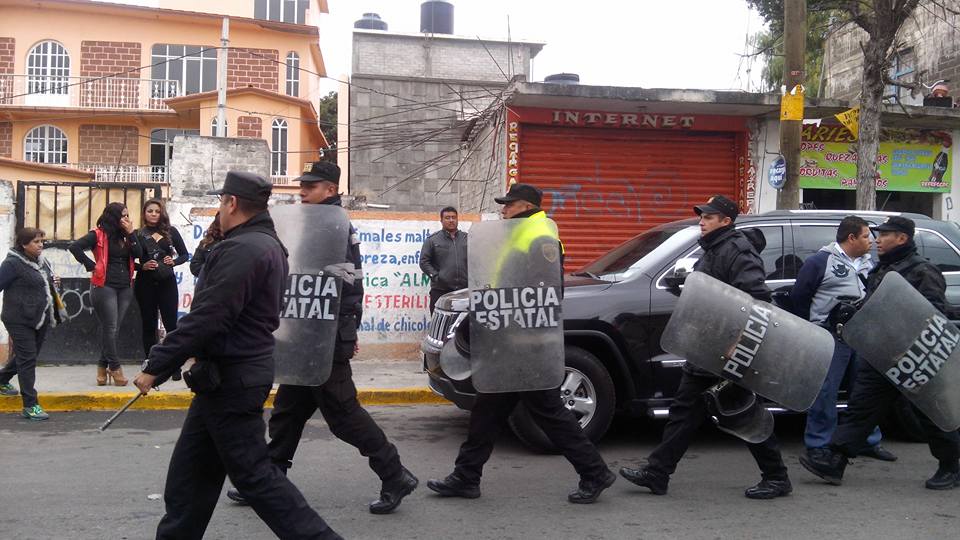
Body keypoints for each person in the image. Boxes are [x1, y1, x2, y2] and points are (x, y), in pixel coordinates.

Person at [133, 171, 342, 540]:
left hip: (234, 379)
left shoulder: (244, 248)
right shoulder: (263, 244)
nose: (219, 209)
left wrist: (158, 364)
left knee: (257, 478)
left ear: (231, 203)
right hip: (223, 377)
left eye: (220, 202)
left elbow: (210, 316)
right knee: (191, 476)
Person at [227, 161, 417, 515]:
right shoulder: (312, 221)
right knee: (288, 410)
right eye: (302, 185)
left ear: (330, 190)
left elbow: (346, 284)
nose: (302, 191)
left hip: (325, 335)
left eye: (311, 186)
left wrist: (343, 331)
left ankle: (394, 474)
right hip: (307, 331)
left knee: (344, 414)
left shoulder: (334, 225)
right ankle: (269, 479)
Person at [426, 183, 616, 504]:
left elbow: (542, 296)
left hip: (524, 342)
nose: (504, 209)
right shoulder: (519, 232)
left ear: (526, 206)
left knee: (549, 412)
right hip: (509, 339)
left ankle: (595, 472)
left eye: (509, 205)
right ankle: (466, 476)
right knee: (488, 411)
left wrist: (511, 329)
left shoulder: (540, 236)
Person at [619, 194, 792, 500]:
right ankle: (657, 473)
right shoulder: (712, 250)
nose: (702, 220)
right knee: (684, 411)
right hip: (707, 347)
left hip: (729, 350)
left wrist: (738, 343)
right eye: (701, 215)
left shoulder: (738, 251)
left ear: (726, 221)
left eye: (708, 217)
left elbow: (758, 300)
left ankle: (777, 477)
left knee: (742, 412)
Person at [799, 216, 960, 490]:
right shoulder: (882, 269)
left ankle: (950, 466)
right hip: (881, 355)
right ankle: (836, 461)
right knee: (861, 409)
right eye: (877, 234)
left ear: (902, 238)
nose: (877, 240)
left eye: (884, 235)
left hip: (913, 358)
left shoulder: (922, 270)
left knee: (929, 414)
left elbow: (933, 312)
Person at [789, 216, 897, 464]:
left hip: (862, 336)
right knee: (825, 393)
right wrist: (812, 330)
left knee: (865, 393)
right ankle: (819, 445)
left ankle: (868, 441)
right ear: (851, 238)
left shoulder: (869, 264)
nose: (870, 241)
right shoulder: (820, 262)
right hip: (830, 337)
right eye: (865, 236)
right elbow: (800, 297)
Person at [69, 202, 137, 386]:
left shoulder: (127, 236)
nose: (126, 219)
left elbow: (139, 254)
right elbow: (75, 247)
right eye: (123, 215)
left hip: (125, 286)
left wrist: (131, 233)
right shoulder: (98, 234)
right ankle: (114, 367)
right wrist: (91, 265)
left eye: (127, 215)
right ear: (113, 216)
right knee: (110, 327)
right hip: (104, 285)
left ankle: (101, 366)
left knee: (113, 330)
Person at [0, 228, 64, 420]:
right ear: (24, 244)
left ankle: (2, 379)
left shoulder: (42, 262)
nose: (40, 245)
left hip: (40, 317)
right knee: (28, 360)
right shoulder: (12, 264)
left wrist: (55, 282)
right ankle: (30, 404)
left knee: (26, 355)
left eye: (41, 241)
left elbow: (44, 286)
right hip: (18, 318)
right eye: (36, 242)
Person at [133, 198, 188, 358]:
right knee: (149, 324)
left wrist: (174, 261)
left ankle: (174, 363)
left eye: (157, 211)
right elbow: (127, 260)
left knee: (171, 324)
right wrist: (141, 266)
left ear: (162, 213)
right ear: (144, 213)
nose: (153, 214)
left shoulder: (171, 232)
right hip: (145, 283)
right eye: (150, 211)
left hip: (167, 282)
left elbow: (184, 255)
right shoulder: (137, 234)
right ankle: (150, 362)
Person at [420, 206, 468, 313]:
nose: (451, 220)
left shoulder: (467, 238)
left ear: (457, 219)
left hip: (464, 291)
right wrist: (437, 277)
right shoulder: (432, 240)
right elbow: (424, 262)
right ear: (441, 220)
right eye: (447, 218)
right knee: (440, 324)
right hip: (440, 291)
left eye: (453, 217)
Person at [190, 212, 222, 278]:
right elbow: (194, 267)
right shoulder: (206, 242)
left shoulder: (236, 240)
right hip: (210, 283)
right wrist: (212, 268)